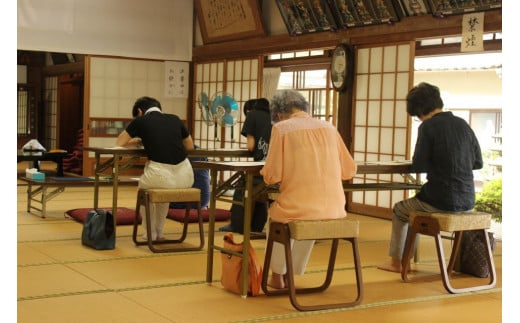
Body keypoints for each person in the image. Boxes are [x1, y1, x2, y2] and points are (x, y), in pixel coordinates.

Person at [377, 82, 483, 273]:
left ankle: (398, 262)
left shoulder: (428, 127)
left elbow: (419, 165)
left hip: (441, 199)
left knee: (401, 210)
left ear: (417, 110)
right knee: (413, 208)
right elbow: (478, 163)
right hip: (468, 199)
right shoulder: (462, 124)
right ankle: (406, 260)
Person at [260, 89, 357, 289]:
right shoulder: (329, 127)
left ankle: (277, 275)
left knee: (278, 217)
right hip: (335, 209)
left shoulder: (282, 129)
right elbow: (349, 171)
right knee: (309, 213)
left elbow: (272, 176)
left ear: (278, 115)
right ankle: (292, 275)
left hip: (298, 208)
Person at [116, 96, 195, 241]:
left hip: (160, 175)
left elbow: (120, 142)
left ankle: (150, 231)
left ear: (140, 111)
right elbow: (190, 146)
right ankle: (159, 231)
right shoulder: (175, 119)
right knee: (163, 195)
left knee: (144, 193)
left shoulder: (140, 120)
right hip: (186, 176)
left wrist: (140, 139)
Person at [219, 98, 273, 233]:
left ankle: (237, 225)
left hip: (261, 168)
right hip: (276, 170)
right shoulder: (277, 116)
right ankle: (256, 226)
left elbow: (250, 146)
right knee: (260, 190)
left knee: (244, 185)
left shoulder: (253, 114)